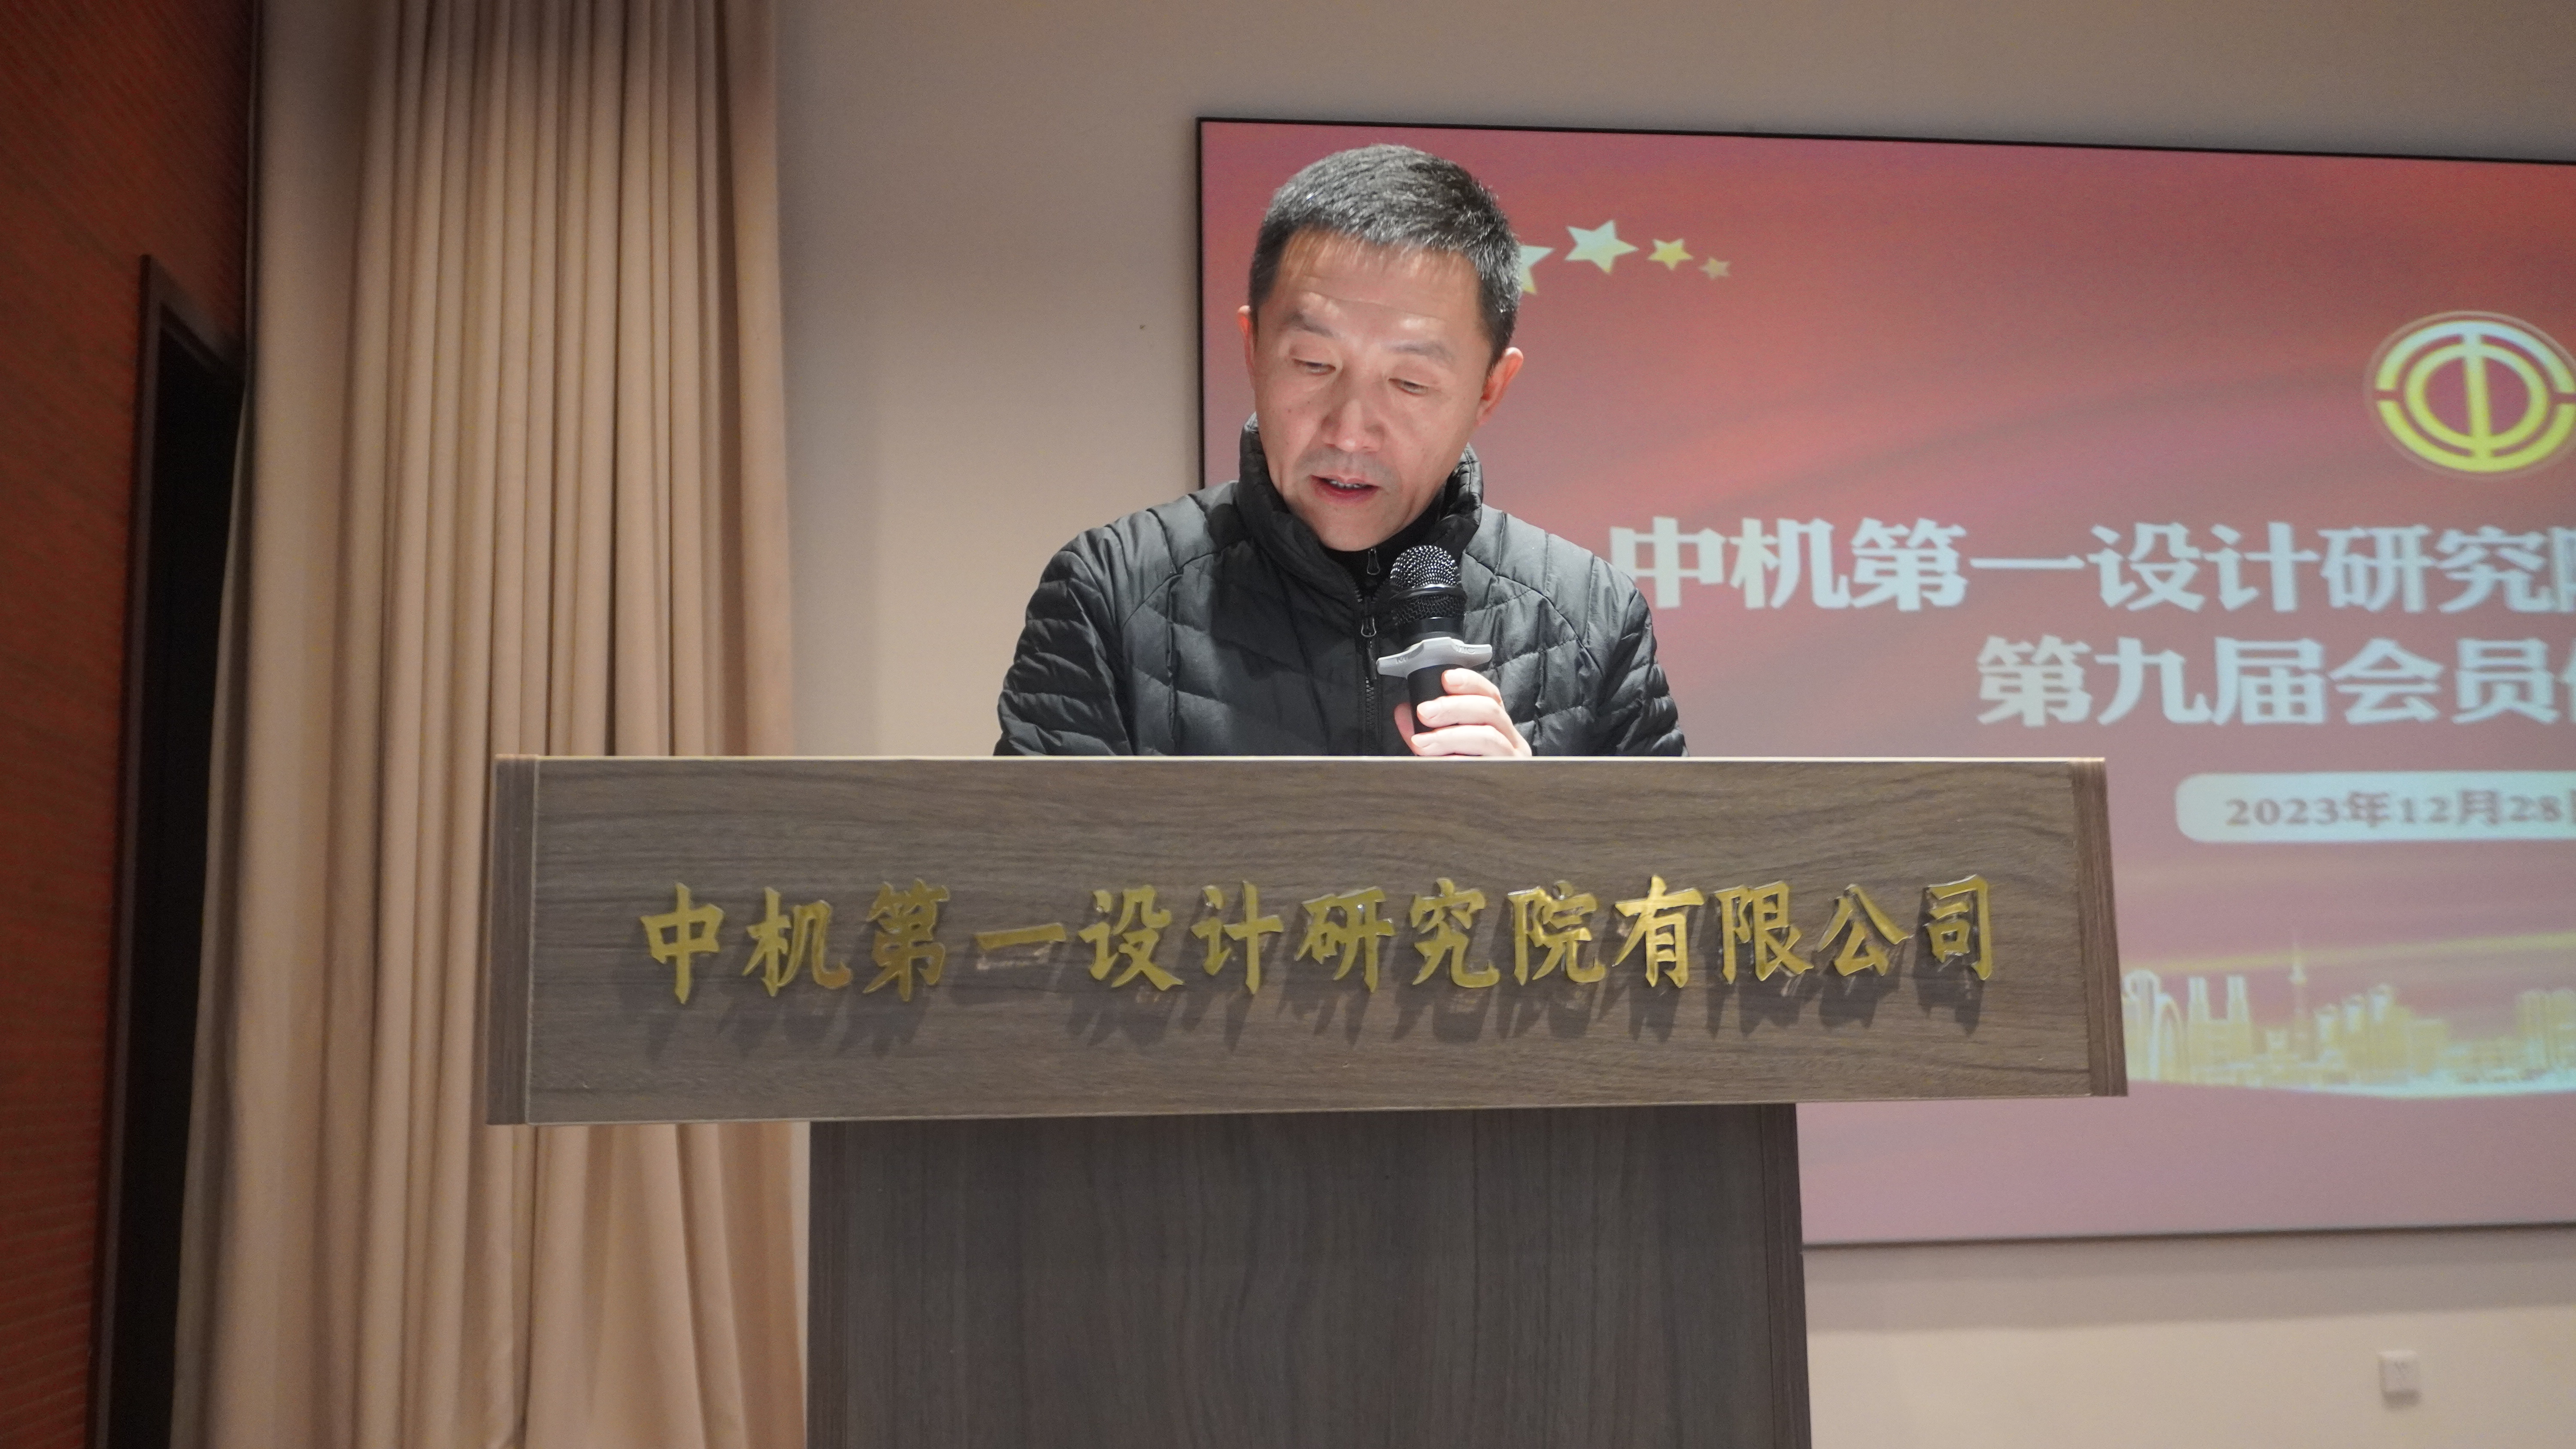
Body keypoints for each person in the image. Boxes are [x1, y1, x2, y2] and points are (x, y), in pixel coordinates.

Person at [993, 143, 1685, 758]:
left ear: (1489, 390)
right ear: (1253, 349)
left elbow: (1667, 866)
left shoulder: (1593, 619)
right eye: (1314, 365)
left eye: (1410, 383)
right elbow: (1038, 862)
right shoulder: (1108, 593)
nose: (1350, 433)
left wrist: (1534, 824)